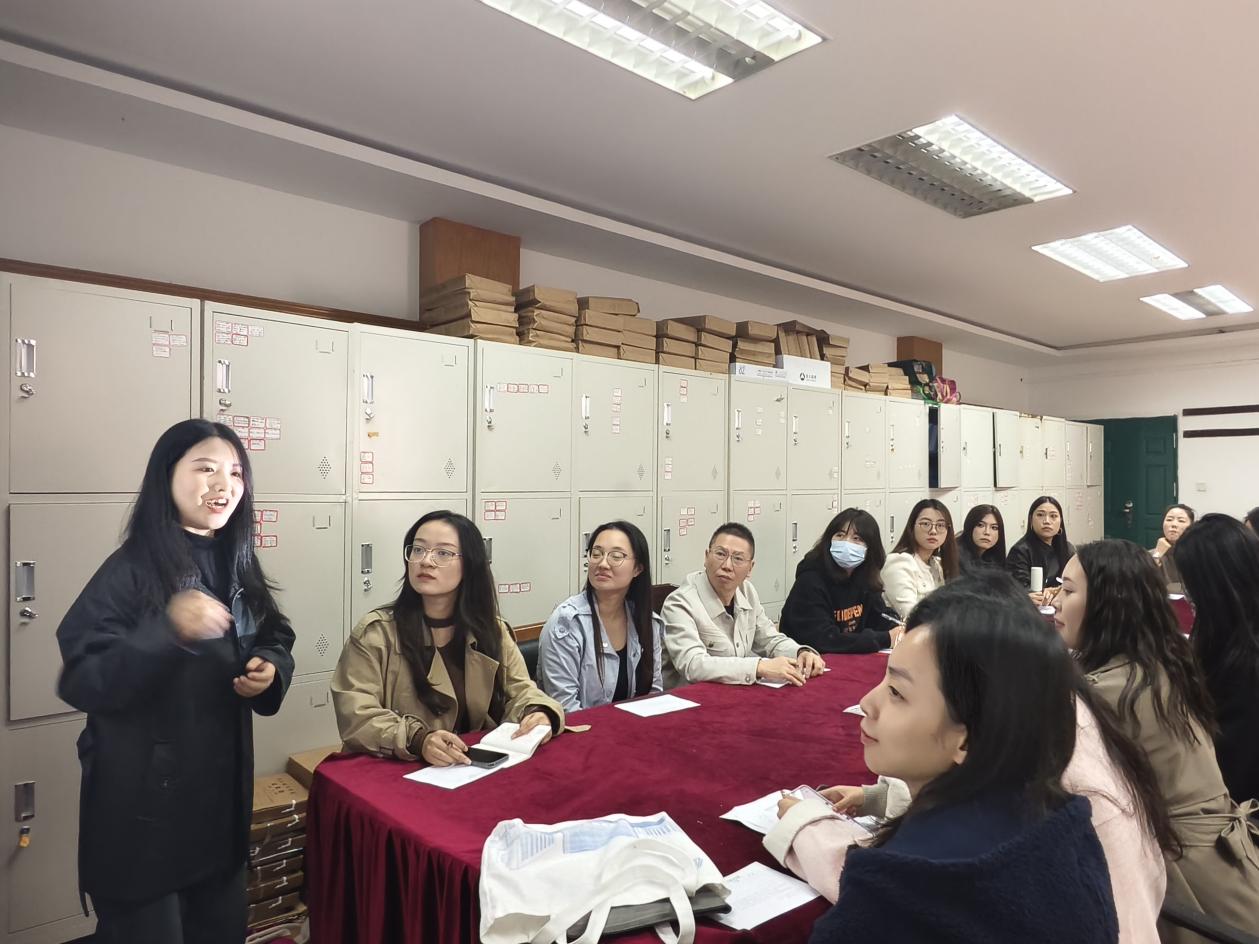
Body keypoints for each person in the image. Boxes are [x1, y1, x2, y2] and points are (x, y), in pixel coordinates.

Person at [767, 575, 1171, 943]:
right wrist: (878, 797)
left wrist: (805, 826)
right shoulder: (1059, 807)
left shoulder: (898, 886)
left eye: (897, 693)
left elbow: (915, 888)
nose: (867, 702)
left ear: (971, 733)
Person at [56, 420, 296, 944]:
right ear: (166, 476)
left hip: (217, 814)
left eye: (236, 472)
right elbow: (82, 678)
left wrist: (270, 666)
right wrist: (167, 631)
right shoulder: (131, 569)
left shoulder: (237, 561)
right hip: (143, 820)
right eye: (205, 468)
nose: (224, 484)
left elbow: (274, 632)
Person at [1054, 540, 1259, 938]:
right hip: (1223, 857)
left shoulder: (1106, 692)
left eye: (1068, 590)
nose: (1056, 603)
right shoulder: (1160, 663)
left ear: (1107, 603)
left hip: (1187, 878)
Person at [332, 510, 563, 766]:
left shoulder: (491, 630)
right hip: (399, 768)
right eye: (418, 550)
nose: (426, 561)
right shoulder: (376, 633)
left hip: (469, 766)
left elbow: (521, 690)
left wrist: (538, 712)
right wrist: (418, 739)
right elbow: (357, 715)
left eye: (443, 553)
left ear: (470, 564)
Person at [661, 522, 826, 687]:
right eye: (720, 554)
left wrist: (800, 652)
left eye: (738, 559)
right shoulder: (680, 602)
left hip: (733, 693)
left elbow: (770, 639)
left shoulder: (747, 591)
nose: (727, 566)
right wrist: (759, 667)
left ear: (750, 568)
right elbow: (693, 665)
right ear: (706, 557)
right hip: (690, 698)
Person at [1174, 514, 1259, 805]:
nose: (1188, 596)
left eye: (1191, 586)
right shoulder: (1225, 630)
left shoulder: (1247, 662)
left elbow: (1231, 773)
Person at [537, 521, 663, 710]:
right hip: (580, 727)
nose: (603, 564)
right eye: (596, 554)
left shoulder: (647, 622)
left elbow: (654, 695)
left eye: (616, 556)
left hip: (633, 726)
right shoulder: (567, 623)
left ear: (638, 568)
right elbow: (566, 708)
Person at [779, 509, 904, 654]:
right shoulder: (810, 581)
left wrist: (898, 628)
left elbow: (879, 615)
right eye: (840, 535)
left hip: (847, 658)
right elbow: (825, 639)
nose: (846, 543)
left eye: (857, 538)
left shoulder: (863, 578)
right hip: (810, 659)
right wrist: (885, 638)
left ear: (870, 548)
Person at [880, 499, 958, 620]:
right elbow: (911, 615)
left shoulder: (937, 564)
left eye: (940, 525)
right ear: (912, 526)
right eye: (926, 524)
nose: (933, 531)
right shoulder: (899, 562)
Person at [1006, 495, 1074, 604]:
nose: (1047, 521)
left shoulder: (1068, 549)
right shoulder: (1020, 551)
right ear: (1031, 519)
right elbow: (1019, 590)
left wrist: (1056, 591)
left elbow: (1077, 583)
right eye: (1040, 515)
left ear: (1060, 521)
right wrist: (1042, 593)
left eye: (1053, 516)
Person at [1150, 503, 1195, 593]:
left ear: (1191, 526)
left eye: (1181, 521)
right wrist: (1157, 555)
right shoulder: (1150, 555)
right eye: (1169, 519)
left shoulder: (1197, 554)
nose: (1173, 524)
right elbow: (1142, 582)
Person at [956, 503, 1006, 573]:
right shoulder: (954, 555)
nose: (987, 532)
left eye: (994, 527)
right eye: (980, 525)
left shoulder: (993, 558)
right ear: (969, 526)